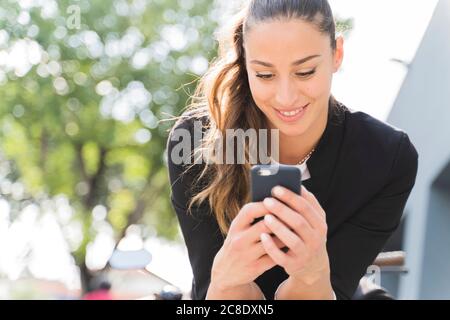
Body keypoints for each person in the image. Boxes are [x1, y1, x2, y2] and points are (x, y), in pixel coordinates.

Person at [166, 0, 418, 300]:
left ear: (337, 54)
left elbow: (334, 289)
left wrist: (312, 273)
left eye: (305, 72)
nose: (286, 97)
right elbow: (218, 295)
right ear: (246, 65)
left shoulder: (386, 158)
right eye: (264, 75)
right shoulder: (197, 141)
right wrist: (227, 277)